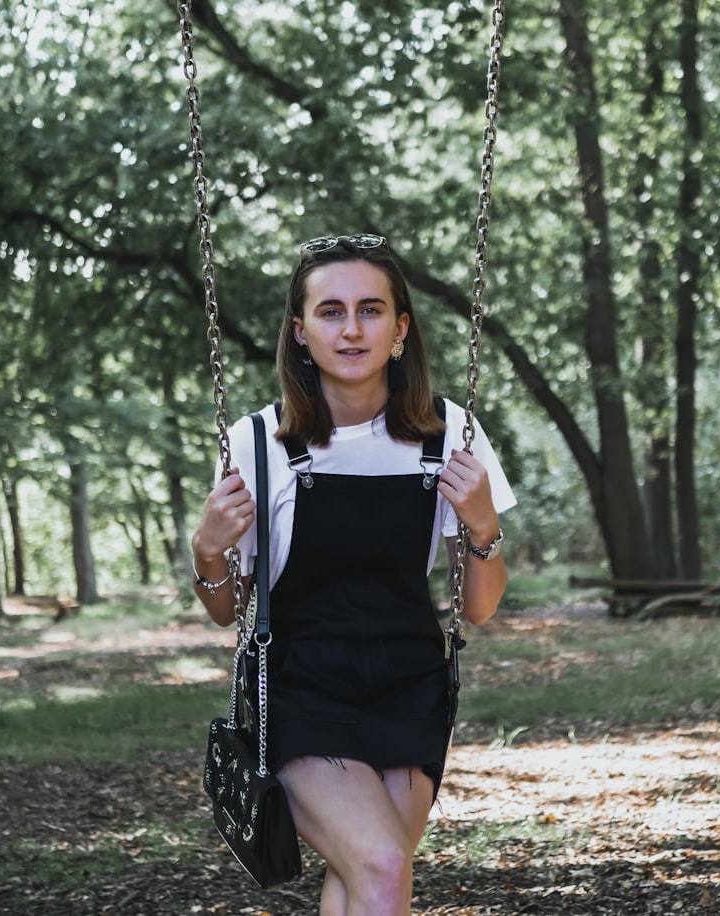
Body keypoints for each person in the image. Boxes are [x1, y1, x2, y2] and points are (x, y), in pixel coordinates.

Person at [192, 233, 516, 915]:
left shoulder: (449, 433)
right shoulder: (258, 444)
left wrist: (483, 525)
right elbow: (230, 612)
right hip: (302, 687)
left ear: (400, 329)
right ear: (301, 332)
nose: (350, 328)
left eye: (370, 310)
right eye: (330, 311)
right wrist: (207, 550)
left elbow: (480, 608)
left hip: (409, 682)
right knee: (381, 863)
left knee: (369, 879)